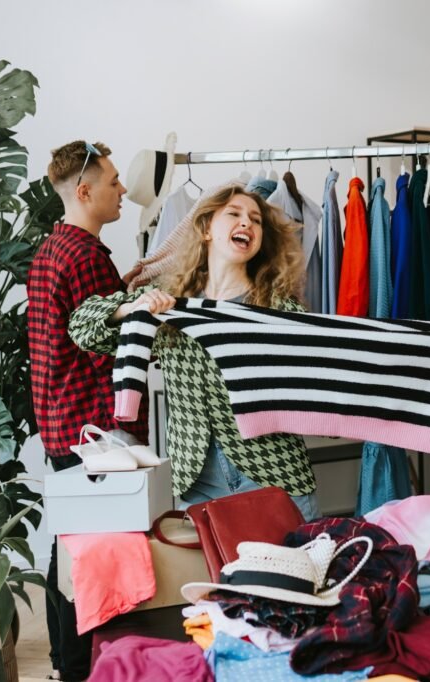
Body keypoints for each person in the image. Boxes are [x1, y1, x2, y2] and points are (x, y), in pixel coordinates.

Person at [69, 183, 320, 520]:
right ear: (206, 231)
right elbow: (82, 328)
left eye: (256, 220)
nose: (246, 223)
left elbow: (314, 379)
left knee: (294, 572)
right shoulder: (169, 303)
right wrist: (132, 309)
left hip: (274, 477)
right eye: (233, 214)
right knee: (210, 575)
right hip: (197, 481)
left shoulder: (278, 311)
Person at [27, 140, 149, 682]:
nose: (123, 190)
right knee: (89, 555)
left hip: (61, 424)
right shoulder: (85, 256)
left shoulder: (54, 248)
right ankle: (80, 666)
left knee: (68, 546)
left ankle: (64, 662)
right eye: (114, 181)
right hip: (92, 429)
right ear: (84, 191)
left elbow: (75, 329)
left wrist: (124, 288)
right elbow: (104, 340)